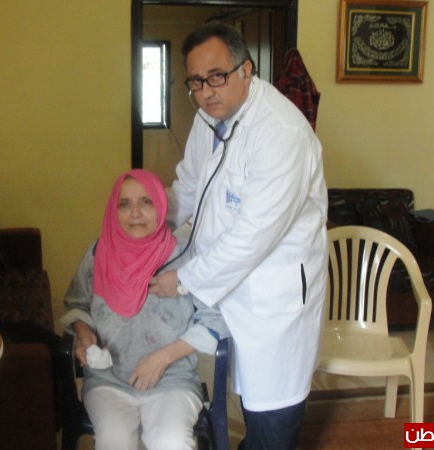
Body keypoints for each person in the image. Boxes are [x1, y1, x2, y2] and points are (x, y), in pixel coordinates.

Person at [148, 22, 328, 450]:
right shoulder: (208, 117)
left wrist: (184, 279)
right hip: (230, 285)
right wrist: (145, 230)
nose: (206, 91)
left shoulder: (281, 132)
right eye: (196, 81)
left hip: (274, 302)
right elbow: (188, 188)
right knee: (244, 404)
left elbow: (253, 235)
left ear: (246, 70)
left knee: (272, 421)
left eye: (217, 76)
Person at [60, 169, 228, 450]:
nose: (135, 213)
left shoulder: (186, 255)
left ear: (161, 206)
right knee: (113, 442)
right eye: (124, 204)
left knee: (171, 442)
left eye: (146, 202)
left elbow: (215, 317)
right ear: (114, 210)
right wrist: (83, 331)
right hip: (108, 381)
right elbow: (77, 302)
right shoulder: (99, 252)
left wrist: (162, 359)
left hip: (172, 379)